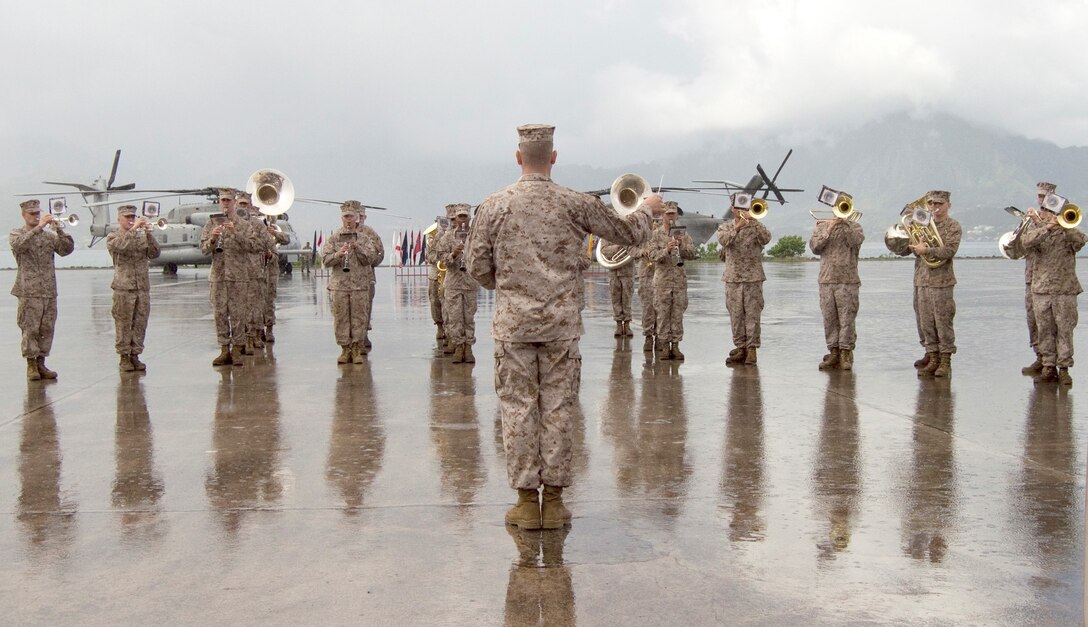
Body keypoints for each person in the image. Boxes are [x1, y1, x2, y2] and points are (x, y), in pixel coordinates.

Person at [466, 123, 664, 530]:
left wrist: (509, 287)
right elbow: (627, 233)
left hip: (514, 329)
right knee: (558, 407)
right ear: (553, 157)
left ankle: (525, 503)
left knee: (518, 409)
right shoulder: (574, 203)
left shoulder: (493, 206)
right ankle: (553, 503)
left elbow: (477, 268)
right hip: (560, 327)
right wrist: (648, 209)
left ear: (518, 157)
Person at [1020, 193, 1086, 385]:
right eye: (1047, 211)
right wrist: (1047, 228)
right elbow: (1026, 242)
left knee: (1065, 329)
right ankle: (1048, 366)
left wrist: (1065, 227)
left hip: (1065, 289)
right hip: (1041, 289)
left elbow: (1081, 242)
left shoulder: (1070, 231)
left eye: (1054, 212)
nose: (1050, 215)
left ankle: (1064, 368)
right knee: (1044, 330)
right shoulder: (1037, 230)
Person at [9, 199, 75, 380]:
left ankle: (41, 363)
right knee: (30, 329)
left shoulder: (48, 237)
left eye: (38, 213)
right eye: (32, 214)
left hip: (48, 290)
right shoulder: (17, 233)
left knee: (46, 329)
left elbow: (66, 249)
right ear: (24, 215)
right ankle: (31, 365)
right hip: (28, 290)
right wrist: (39, 227)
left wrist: (59, 229)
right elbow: (18, 246)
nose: (36, 216)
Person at [200, 189, 262, 366]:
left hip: (238, 276)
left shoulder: (244, 224)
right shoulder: (212, 223)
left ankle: (237, 349)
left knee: (238, 314)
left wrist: (235, 232)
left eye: (228, 200)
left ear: (234, 202)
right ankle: (224, 349)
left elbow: (254, 246)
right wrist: (213, 238)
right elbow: (203, 249)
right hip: (219, 276)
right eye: (222, 200)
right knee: (220, 314)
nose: (225, 203)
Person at [322, 201, 383, 364]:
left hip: (360, 285)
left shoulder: (364, 238)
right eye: (345, 217)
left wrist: (358, 248)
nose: (347, 220)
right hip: (340, 286)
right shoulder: (334, 238)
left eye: (350, 217)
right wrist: (338, 254)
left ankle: (356, 348)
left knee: (359, 317)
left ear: (357, 219)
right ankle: (344, 349)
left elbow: (371, 259)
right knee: (341, 318)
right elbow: (325, 260)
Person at [808, 196, 865, 370]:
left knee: (847, 318)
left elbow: (855, 242)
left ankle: (846, 353)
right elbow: (815, 247)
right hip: (827, 280)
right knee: (829, 318)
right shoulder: (822, 226)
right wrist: (830, 228)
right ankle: (833, 351)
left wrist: (845, 224)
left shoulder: (855, 227)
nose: (840, 209)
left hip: (848, 280)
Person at [909, 190, 961, 378]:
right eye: (931, 204)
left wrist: (927, 249)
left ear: (948, 205)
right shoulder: (922, 224)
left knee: (943, 320)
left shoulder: (953, 226)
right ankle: (932, 357)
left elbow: (949, 250)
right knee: (925, 322)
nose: (935, 207)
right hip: (922, 280)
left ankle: (945, 359)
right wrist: (913, 244)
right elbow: (913, 250)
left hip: (942, 281)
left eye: (939, 204)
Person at [716, 194, 771, 365]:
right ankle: (741, 347)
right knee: (736, 315)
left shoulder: (756, 226)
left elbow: (766, 238)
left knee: (753, 315)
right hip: (733, 278)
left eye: (744, 207)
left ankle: (752, 349)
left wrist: (753, 221)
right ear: (732, 209)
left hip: (753, 278)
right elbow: (724, 241)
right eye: (738, 207)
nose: (742, 210)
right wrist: (739, 226)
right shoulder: (725, 227)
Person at [106, 204, 160, 371]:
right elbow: (120, 246)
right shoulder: (113, 237)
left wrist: (149, 234)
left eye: (133, 217)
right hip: (124, 288)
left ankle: (135, 355)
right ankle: (124, 357)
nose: (131, 220)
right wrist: (134, 229)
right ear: (119, 219)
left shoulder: (141, 237)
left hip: (142, 288)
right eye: (127, 217)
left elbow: (155, 253)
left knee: (140, 323)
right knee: (123, 324)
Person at [646, 201, 697, 360]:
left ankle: (675, 346)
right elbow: (652, 256)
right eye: (668, 214)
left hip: (679, 281)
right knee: (662, 314)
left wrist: (681, 245)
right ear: (662, 215)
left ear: (677, 215)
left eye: (673, 214)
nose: (670, 217)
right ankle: (664, 346)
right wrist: (666, 250)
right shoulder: (655, 235)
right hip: (662, 281)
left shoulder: (684, 234)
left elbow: (692, 254)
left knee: (677, 314)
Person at [1015, 182, 1055, 375]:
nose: (1041, 199)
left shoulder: (1059, 219)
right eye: (1039, 196)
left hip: (1050, 280)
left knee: (1050, 323)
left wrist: (1043, 223)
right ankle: (1040, 356)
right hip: (1031, 276)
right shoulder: (1032, 220)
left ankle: (1051, 361)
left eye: (1045, 196)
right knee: (1033, 319)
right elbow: (1024, 243)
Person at [438, 204, 479, 363]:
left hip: (470, 283)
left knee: (468, 317)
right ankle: (458, 346)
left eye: (465, 216)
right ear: (454, 218)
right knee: (455, 317)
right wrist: (453, 254)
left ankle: (468, 347)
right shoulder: (447, 237)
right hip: (453, 283)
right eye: (459, 216)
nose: (462, 219)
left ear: (469, 218)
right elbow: (440, 259)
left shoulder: (475, 236)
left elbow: (483, 255)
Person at [426, 205, 457, 347]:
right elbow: (430, 255)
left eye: (454, 219)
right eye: (450, 219)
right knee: (435, 302)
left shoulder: (460, 234)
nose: (453, 222)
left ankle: (452, 333)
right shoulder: (437, 236)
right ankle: (440, 326)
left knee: (449, 305)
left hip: (453, 275)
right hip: (436, 273)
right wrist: (442, 259)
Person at [599, 238, 635, 337]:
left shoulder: (629, 233)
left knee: (627, 299)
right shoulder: (608, 233)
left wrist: (628, 247)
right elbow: (604, 250)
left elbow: (635, 248)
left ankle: (627, 325)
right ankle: (618, 325)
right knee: (615, 299)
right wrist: (620, 247)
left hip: (627, 271)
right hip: (613, 271)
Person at [635, 222, 660, 352]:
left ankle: (660, 337)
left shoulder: (662, 230)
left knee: (661, 307)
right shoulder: (639, 230)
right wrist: (641, 252)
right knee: (647, 306)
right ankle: (648, 337)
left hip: (661, 273)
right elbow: (630, 249)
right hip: (645, 273)